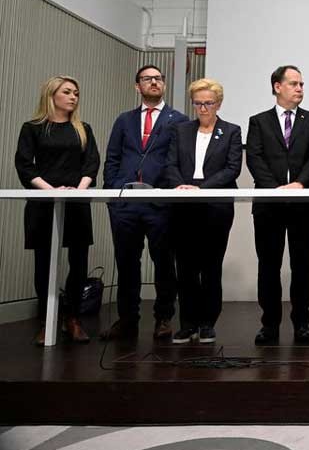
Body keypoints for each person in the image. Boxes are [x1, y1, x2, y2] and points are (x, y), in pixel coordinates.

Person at [101, 65, 187, 341]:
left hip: (160, 201)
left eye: (159, 79)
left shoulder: (179, 119)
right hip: (125, 202)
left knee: (163, 261)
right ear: (137, 86)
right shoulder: (124, 120)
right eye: (148, 79)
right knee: (126, 263)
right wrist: (112, 191)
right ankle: (127, 319)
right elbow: (112, 157)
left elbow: (179, 160)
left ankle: (164, 318)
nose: (154, 82)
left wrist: (169, 191)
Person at [14, 76, 100, 345]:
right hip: (43, 202)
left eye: (76, 92)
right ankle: (46, 319)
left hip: (76, 202)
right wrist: (51, 190)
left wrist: (79, 189)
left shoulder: (82, 128)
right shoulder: (33, 128)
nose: (73, 97)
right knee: (43, 262)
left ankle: (73, 318)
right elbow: (25, 166)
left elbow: (91, 164)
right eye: (67, 92)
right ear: (52, 95)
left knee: (78, 261)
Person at [246, 65, 309, 345]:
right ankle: (270, 325)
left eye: (302, 84)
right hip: (269, 205)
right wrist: (274, 189)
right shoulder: (259, 121)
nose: (300, 88)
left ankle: (302, 322)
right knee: (268, 265)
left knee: (302, 265)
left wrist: (300, 184)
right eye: (294, 84)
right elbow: (254, 158)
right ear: (277, 87)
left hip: (303, 205)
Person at [166, 78, 242, 344]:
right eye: (198, 103)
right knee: (185, 267)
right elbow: (170, 164)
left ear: (218, 103)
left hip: (215, 207)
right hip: (184, 205)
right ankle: (187, 323)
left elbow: (232, 169)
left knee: (211, 266)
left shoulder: (231, 131)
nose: (203, 108)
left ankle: (208, 322)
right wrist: (181, 185)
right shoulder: (181, 130)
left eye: (208, 103)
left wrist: (202, 188)